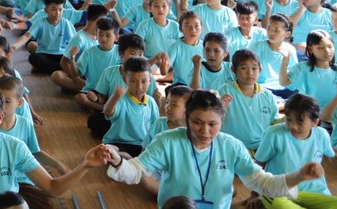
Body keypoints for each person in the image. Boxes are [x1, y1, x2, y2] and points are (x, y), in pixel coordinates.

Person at [104, 89, 324, 209]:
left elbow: (262, 182)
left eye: (213, 124)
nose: (205, 131)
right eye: (197, 122)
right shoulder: (167, 140)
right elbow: (136, 170)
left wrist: (299, 176)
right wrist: (116, 160)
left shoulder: (231, 146)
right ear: (187, 118)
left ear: (222, 121)